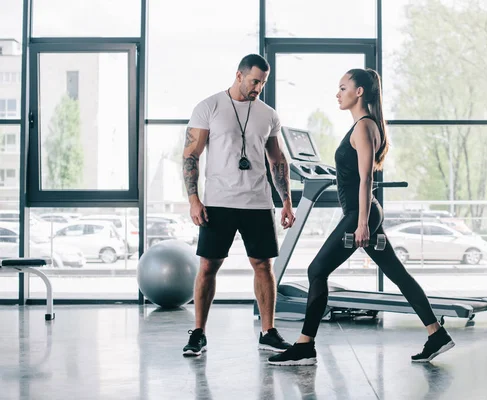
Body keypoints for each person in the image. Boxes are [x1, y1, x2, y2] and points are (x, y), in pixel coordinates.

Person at [268, 68, 455, 366]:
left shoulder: (363, 127)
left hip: (361, 213)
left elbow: (366, 178)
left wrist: (362, 224)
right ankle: (436, 334)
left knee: (316, 271)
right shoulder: (363, 126)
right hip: (364, 213)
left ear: (359, 92)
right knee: (398, 274)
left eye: (343, 88)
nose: (337, 94)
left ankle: (305, 345)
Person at [182, 54, 296, 357]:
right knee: (208, 266)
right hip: (218, 202)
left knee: (263, 266)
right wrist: (194, 199)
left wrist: (286, 201)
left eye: (263, 82)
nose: (258, 87)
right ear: (239, 75)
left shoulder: (268, 114)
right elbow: (191, 155)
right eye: (254, 81)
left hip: (258, 202)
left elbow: (277, 160)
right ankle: (198, 333)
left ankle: (268, 332)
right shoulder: (209, 107)